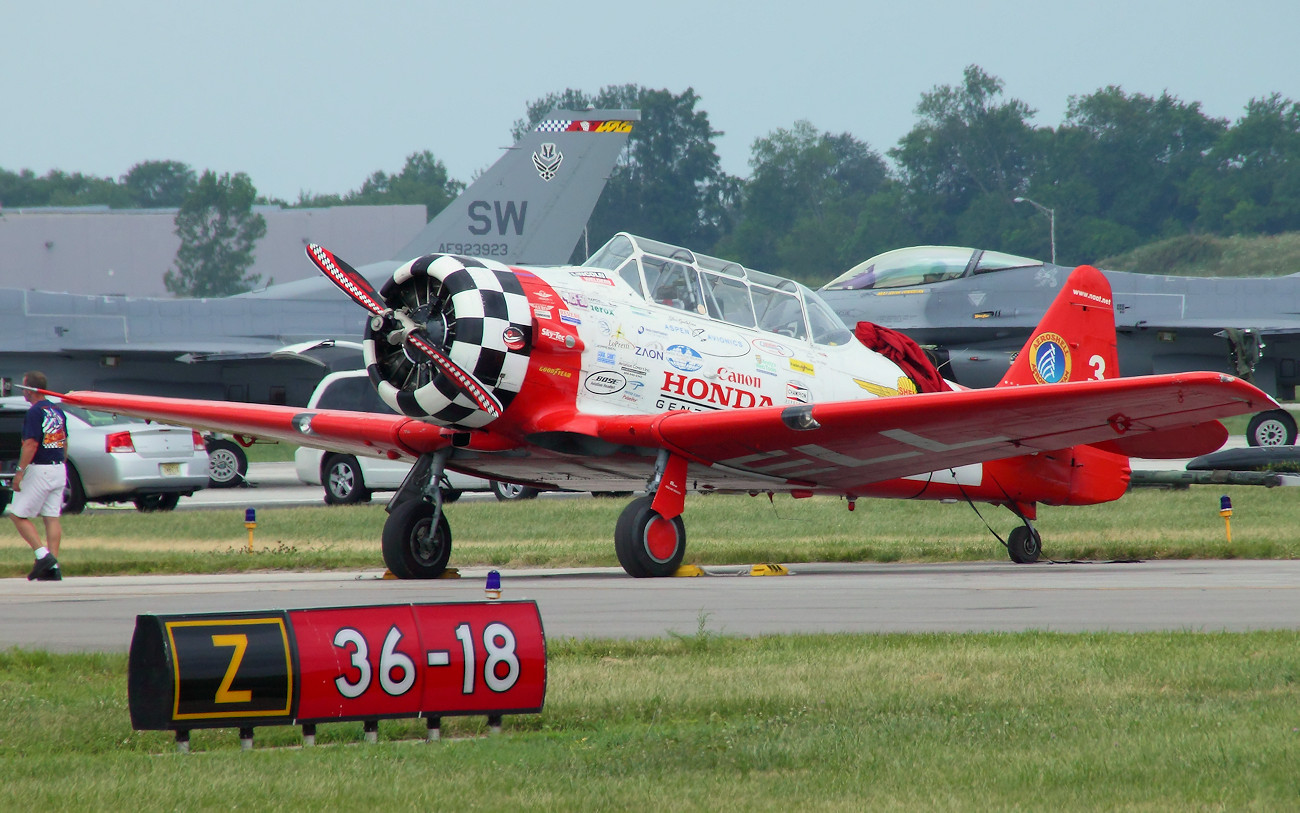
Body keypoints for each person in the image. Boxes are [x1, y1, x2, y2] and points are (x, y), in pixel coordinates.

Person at [10, 371, 67, 581]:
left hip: (40, 468)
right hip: (58, 466)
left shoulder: (35, 412)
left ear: (30, 389)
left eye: (24, 387)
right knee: (51, 517)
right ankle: (53, 568)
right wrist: (62, 463)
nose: (23, 391)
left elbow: (31, 443)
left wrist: (20, 472)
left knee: (17, 514)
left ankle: (42, 555)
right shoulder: (57, 411)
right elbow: (64, 441)